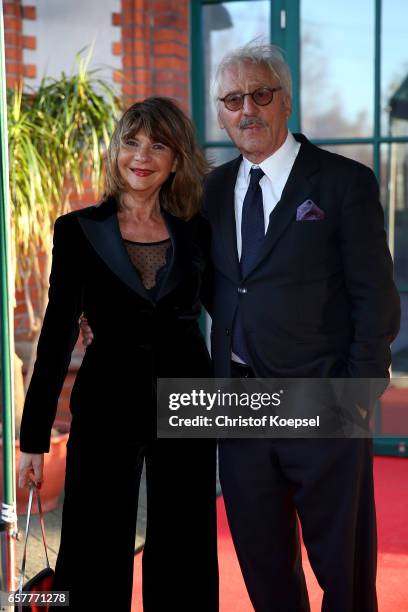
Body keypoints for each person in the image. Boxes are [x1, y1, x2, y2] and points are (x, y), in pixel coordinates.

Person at [201, 41, 400, 612]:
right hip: (237, 404)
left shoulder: (343, 183)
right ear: (220, 111)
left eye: (260, 94)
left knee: (345, 568)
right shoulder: (211, 192)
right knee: (262, 564)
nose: (247, 110)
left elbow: (375, 294)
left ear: (286, 101)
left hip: (323, 395)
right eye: (233, 99)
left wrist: (360, 391)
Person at [18, 97, 219, 612]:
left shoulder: (196, 228)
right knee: (92, 542)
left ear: (177, 158)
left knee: (186, 544)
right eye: (131, 141)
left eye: (157, 145)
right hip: (107, 398)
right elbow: (58, 333)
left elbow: (230, 309)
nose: (142, 156)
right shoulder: (78, 230)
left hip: (186, 396)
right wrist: (34, 439)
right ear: (116, 151)